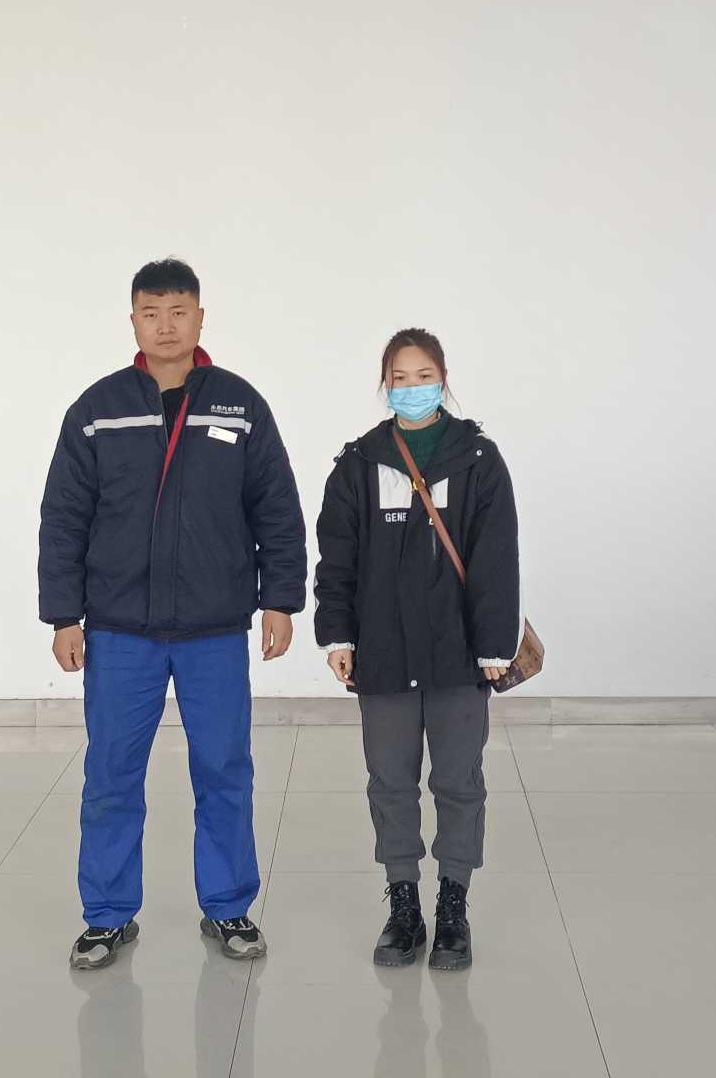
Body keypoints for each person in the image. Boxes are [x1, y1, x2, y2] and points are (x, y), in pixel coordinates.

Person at [38, 258, 307, 971]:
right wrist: (64, 616)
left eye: (179, 311)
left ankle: (228, 906)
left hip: (213, 627)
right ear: (133, 321)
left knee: (224, 768)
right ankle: (107, 916)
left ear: (200, 319)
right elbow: (63, 519)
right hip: (119, 628)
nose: (166, 326)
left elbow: (277, 508)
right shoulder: (97, 409)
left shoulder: (239, 406)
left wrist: (280, 599)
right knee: (112, 773)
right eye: (152, 313)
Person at [313, 328, 521, 971]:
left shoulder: (478, 459)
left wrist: (495, 643)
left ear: (443, 379)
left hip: (460, 653)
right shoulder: (359, 461)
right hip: (383, 651)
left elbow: (496, 555)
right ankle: (403, 903)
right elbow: (337, 556)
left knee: (458, 780)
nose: (411, 388)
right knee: (391, 781)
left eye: (423, 375)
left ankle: (453, 904)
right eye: (399, 378)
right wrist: (338, 633)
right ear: (385, 385)